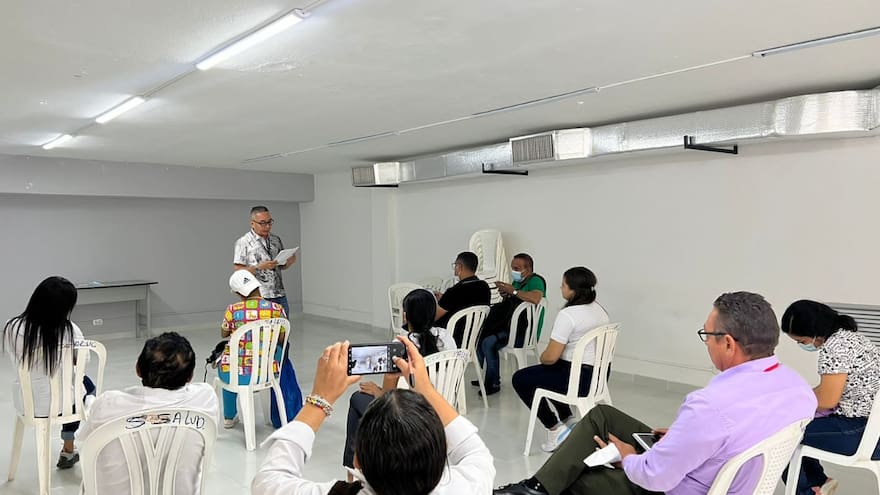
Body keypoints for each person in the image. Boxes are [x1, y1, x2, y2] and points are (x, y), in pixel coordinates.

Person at [495, 291, 817, 495]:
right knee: (602, 416)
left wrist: (629, 457)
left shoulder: (709, 405)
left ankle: (538, 489)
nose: (706, 342)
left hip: (683, 487)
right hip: (720, 473)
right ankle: (534, 488)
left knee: (578, 478)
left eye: (708, 334)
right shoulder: (799, 390)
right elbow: (735, 432)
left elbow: (656, 478)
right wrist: (681, 437)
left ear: (728, 343)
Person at [252, 336, 495, 495]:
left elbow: (268, 480)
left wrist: (319, 400)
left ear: (357, 461)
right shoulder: (467, 487)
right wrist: (427, 389)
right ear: (441, 454)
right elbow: (474, 450)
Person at [77, 332, 219, 494]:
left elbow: (84, 440)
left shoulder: (108, 404)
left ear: (138, 369)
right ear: (190, 376)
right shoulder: (206, 399)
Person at [343, 288, 456, 470]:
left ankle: (354, 467)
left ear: (405, 315)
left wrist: (377, 390)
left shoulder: (401, 345)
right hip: (443, 408)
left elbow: (389, 398)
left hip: (408, 418)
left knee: (357, 398)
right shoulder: (446, 337)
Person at [780, 300, 880, 495]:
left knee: (781, 433)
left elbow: (827, 400)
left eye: (802, 341)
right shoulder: (853, 339)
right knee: (798, 423)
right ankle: (820, 482)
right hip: (872, 428)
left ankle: (808, 492)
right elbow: (828, 390)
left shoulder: (835, 348)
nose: (803, 345)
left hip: (859, 432)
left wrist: (792, 403)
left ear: (814, 332)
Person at [511, 267, 610, 452]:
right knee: (550, 373)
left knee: (521, 378)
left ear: (573, 290)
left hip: (578, 381)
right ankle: (569, 420)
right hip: (598, 377)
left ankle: (554, 429)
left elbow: (550, 357)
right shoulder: (599, 310)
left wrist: (542, 357)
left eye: (563, 285)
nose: (561, 288)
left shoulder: (569, 315)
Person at [2, 275, 96, 469]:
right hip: (65, 406)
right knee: (86, 386)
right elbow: (82, 364)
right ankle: (68, 448)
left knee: (73, 386)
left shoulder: (11, 327)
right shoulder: (71, 331)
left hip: (28, 403)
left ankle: (68, 449)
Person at [218, 270, 303, 428]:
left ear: (238, 293)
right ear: (258, 286)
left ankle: (230, 416)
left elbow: (223, 333)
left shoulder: (233, 310)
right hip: (268, 371)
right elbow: (283, 338)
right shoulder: (277, 309)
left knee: (226, 369)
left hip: (240, 373)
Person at [475, 253, 547, 396]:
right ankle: (488, 375)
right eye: (512, 267)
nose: (514, 271)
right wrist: (506, 294)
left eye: (517, 268)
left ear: (528, 269)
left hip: (524, 333)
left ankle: (493, 382)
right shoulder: (518, 283)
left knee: (489, 342)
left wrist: (513, 291)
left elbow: (536, 298)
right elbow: (515, 299)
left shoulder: (536, 281)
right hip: (511, 327)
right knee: (481, 336)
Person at [233, 205, 297, 317]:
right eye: (262, 223)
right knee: (263, 331)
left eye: (269, 222)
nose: (267, 226)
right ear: (252, 223)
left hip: (279, 294)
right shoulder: (243, 242)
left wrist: (289, 261)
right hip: (258, 295)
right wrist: (259, 267)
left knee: (282, 329)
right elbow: (238, 272)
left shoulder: (275, 240)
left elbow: (280, 266)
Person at [433, 251, 491, 345]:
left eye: (455, 265)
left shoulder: (455, 291)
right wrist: (444, 297)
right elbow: (466, 302)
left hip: (451, 338)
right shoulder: (484, 287)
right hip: (472, 339)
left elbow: (434, 316)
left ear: (459, 266)